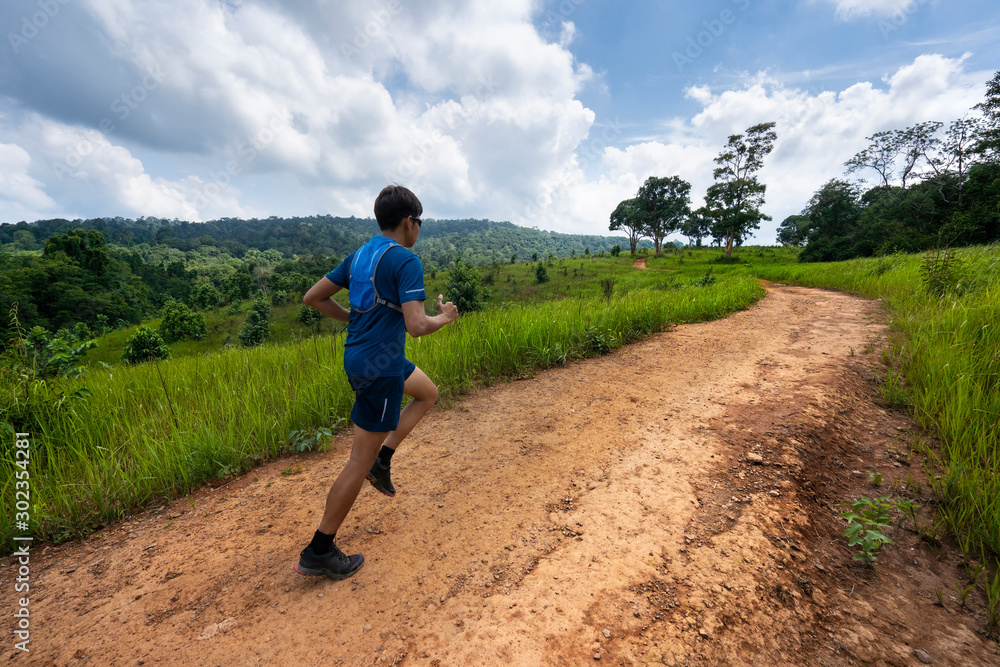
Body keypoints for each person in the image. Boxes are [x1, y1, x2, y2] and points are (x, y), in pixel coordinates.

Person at [295, 185, 459, 580]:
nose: (418, 229)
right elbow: (417, 325)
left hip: (370, 357)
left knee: (427, 393)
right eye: (418, 222)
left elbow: (313, 298)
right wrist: (446, 318)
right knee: (357, 460)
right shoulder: (405, 260)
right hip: (379, 369)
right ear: (409, 222)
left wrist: (352, 318)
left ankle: (383, 460)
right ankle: (320, 549)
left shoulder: (360, 255)